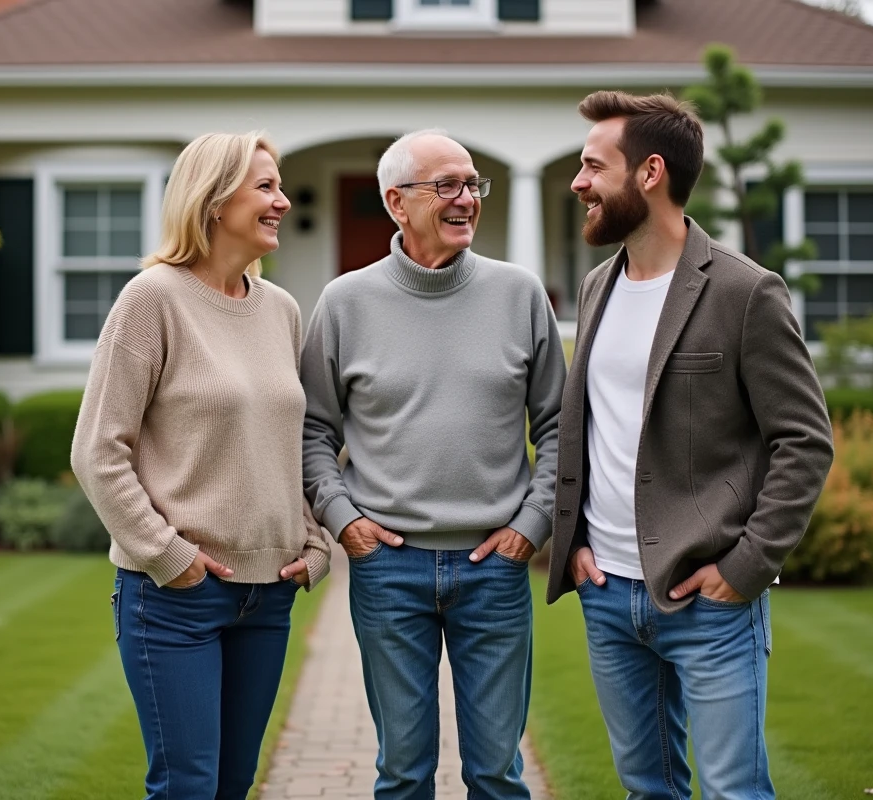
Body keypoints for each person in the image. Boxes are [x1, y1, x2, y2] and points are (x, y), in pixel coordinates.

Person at [545, 91, 834, 799]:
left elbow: (805, 439)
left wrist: (747, 563)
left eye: (592, 166)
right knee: (649, 788)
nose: (578, 182)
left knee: (735, 790)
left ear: (649, 173)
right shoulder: (596, 286)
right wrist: (575, 541)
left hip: (708, 600)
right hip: (607, 594)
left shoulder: (745, 291)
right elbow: (590, 422)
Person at [300, 129, 566, 800]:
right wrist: (344, 521)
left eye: (473, 183)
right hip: (387, 568)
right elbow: (313, 431)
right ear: (397, 202)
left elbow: (561, 427)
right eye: (447, 185)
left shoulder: (521, 294)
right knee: (403, 775)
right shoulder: (343, 303)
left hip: (495, 570)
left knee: (498, 776)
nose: (466, 199)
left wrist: (531, 526)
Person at [71, 131, 331, 800]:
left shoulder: (281, 310)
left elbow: (286, 441)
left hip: (269, 595)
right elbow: (97, 451)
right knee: (188, 786)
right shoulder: (151, 300)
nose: (281, 201)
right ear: (214, 201)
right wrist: (166, 553)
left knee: (233, 785)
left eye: (280, 187)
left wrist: (315, 541)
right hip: (174, 599)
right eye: (265, 187)